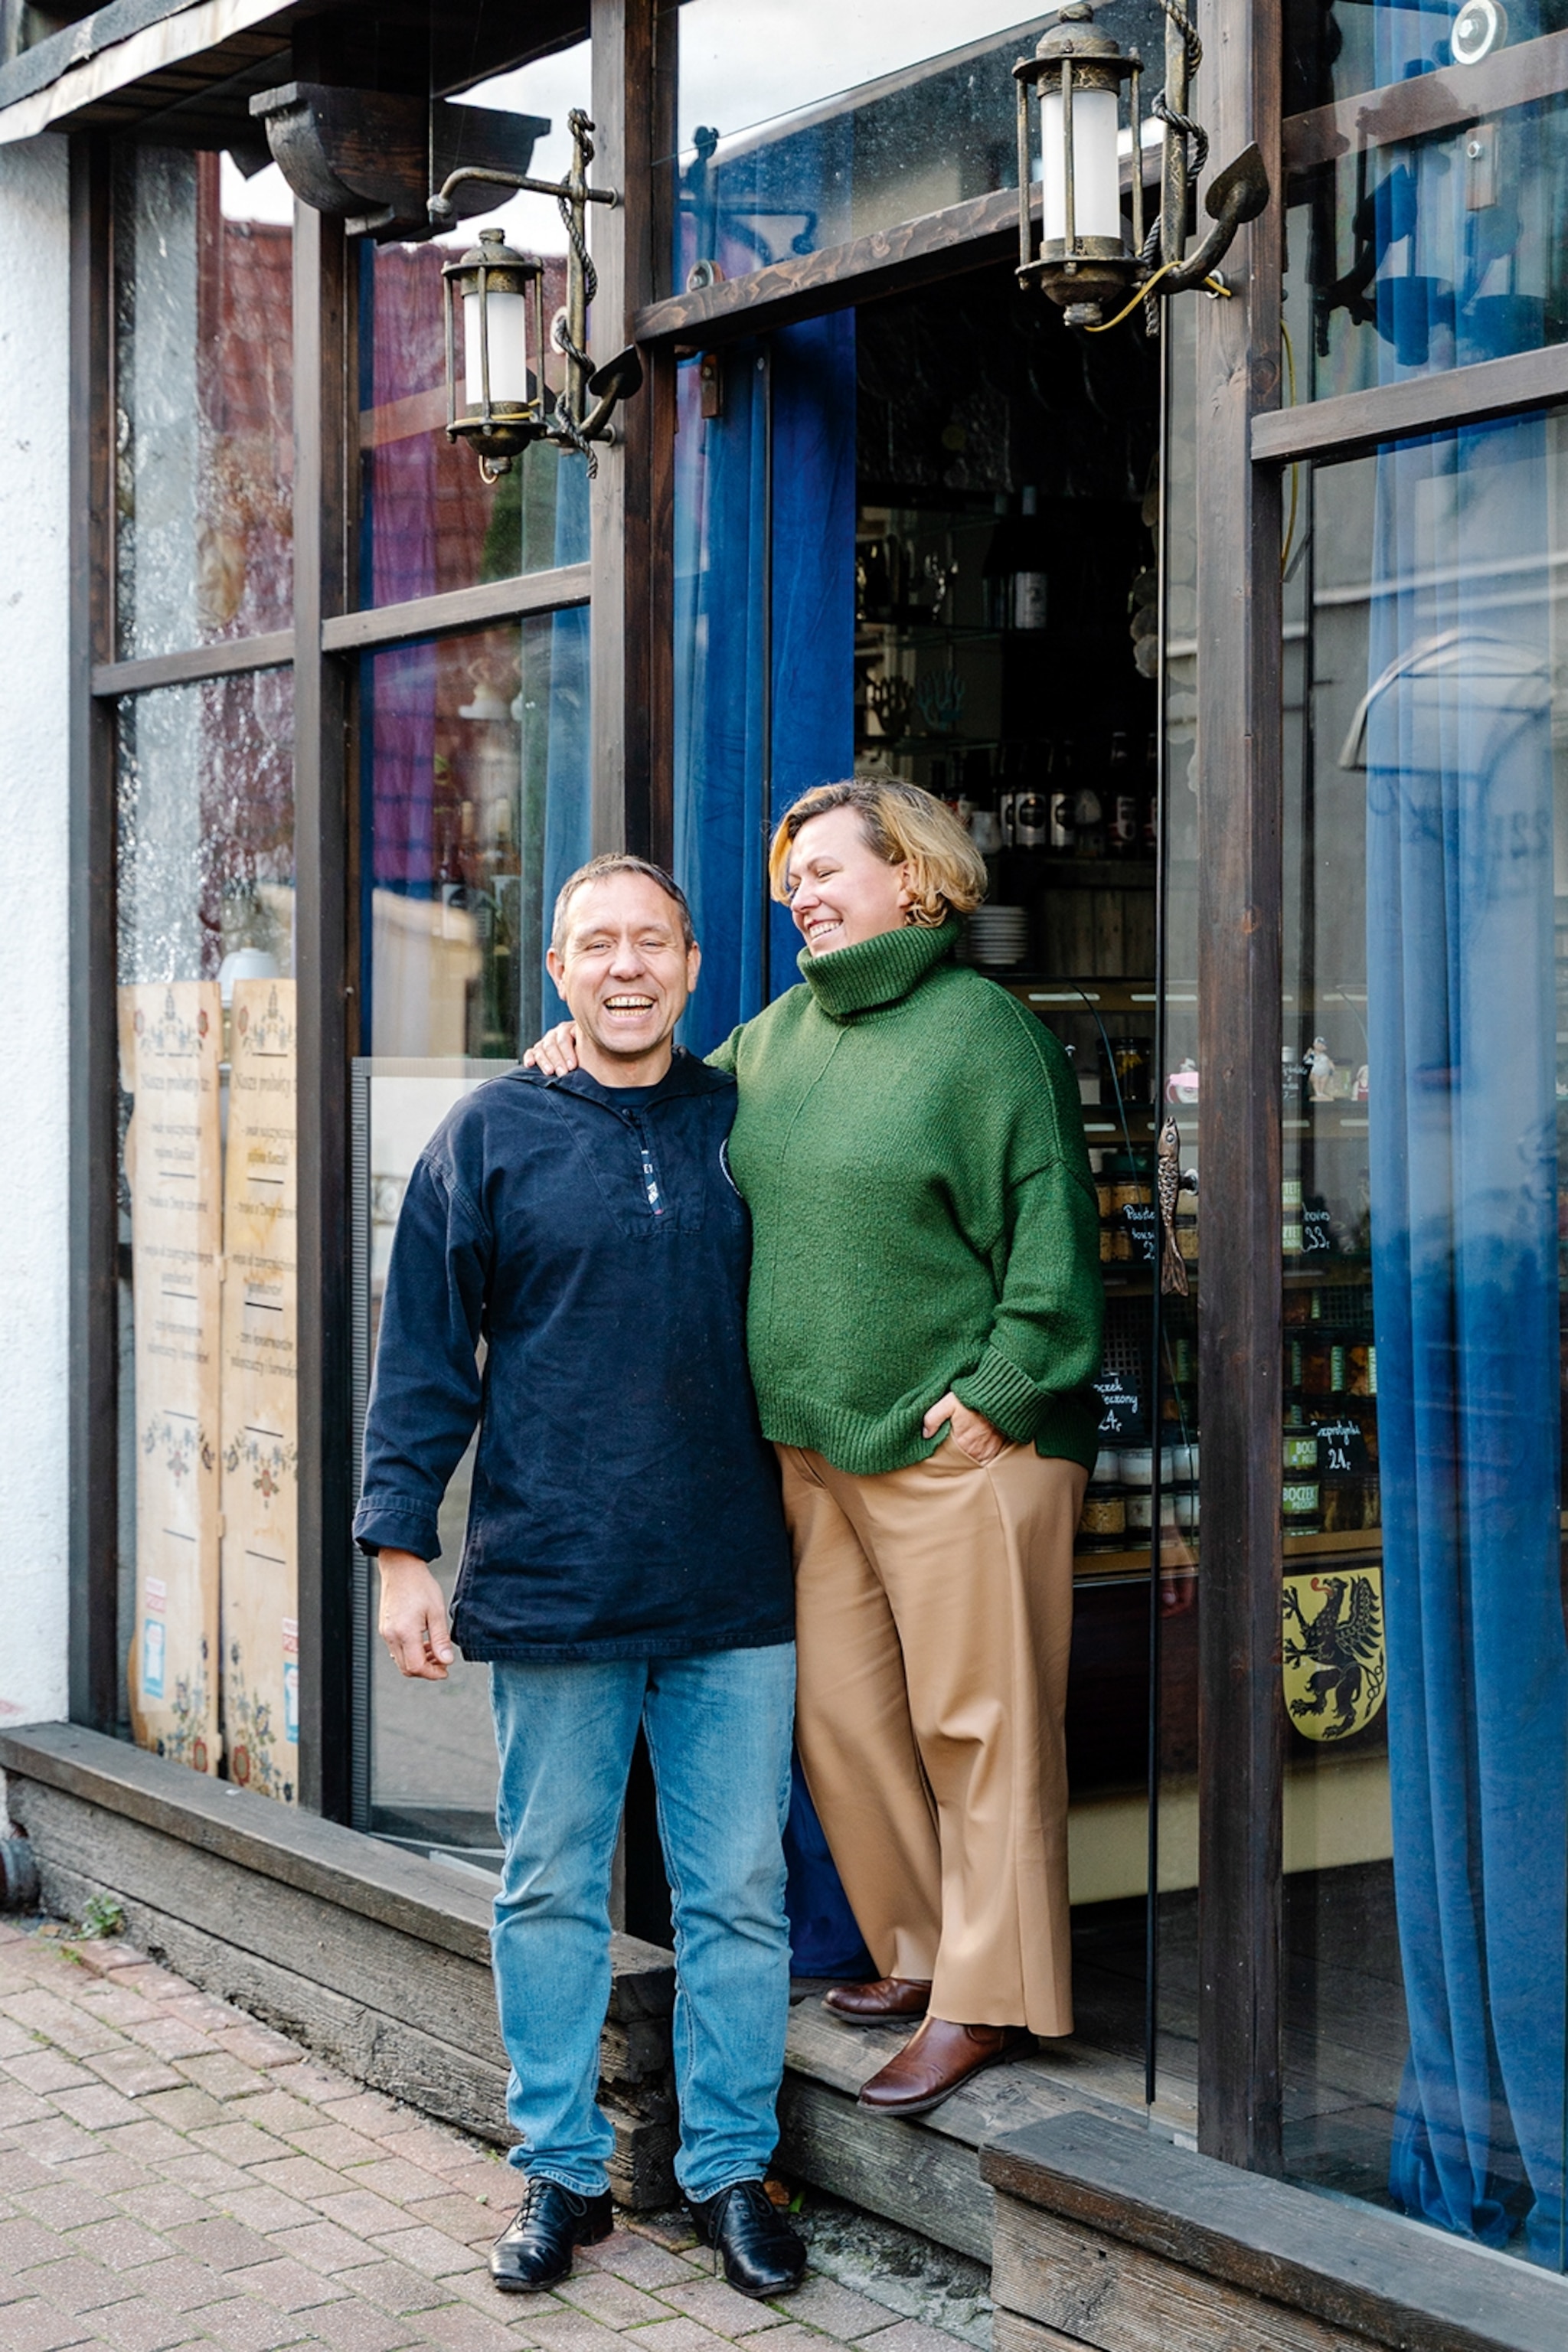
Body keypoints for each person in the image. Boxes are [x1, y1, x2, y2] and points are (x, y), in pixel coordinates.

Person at [527, 779, 1104, 2118]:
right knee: (842, 1723)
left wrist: (1003, 1391)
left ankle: (992, 1997)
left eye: (828, 870)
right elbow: (662, 1101)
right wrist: (574, 1048)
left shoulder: (985, 1037)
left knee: (982, 1728)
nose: (801, 893)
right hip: (813, 1449)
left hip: (962, 1445)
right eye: (791, 878)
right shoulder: (777, 1038)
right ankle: (915, 1949)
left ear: (915, 876)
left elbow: (1052, 1239)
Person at [354, 854, 808, 2299]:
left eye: (651, 943)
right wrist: (398, 1551)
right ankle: (558, 2176)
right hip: (555, 1578)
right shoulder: (488, 1133)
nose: (625, 968)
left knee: (737, 1889)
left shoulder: (752, 1119)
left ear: (693, 964)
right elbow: (423, 1361)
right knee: (548, 1886)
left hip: (735, 1581)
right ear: (555, 972)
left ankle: (730, 2167)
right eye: (595, 945)